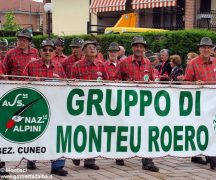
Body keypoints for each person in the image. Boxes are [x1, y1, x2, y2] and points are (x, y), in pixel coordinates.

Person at [22, 39, 68, 176]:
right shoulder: (31, 65)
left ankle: (57, 166)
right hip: (35, 106)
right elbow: (21, 82)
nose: (47, 52)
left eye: (50, 50)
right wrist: (31, 82)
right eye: (45, 50)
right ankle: (31, 159)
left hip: (55, 107)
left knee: (57, 134)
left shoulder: (59, 66)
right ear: (40, 51)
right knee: (35, 133)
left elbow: (65, 84)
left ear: (54, 52)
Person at [116, 36, 159, 172]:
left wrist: (153, 82)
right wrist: (124, 84)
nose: (139, 48)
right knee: (126, 129)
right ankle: (120, 154)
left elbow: (153, 79)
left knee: (146, 130)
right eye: (136, 46)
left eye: (141, 46)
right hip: (127, 105)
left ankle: (147, 161)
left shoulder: (148, 63)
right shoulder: (124, 63)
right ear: (132, 48)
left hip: (144, 106)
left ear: (144, 48)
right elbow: (115, 80)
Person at [182, 37, 216, 170]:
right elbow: (186, 82)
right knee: (204, 130)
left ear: (212, 50)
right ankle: (212, 158)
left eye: (208, 47)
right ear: (199, 49)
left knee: (213, 129)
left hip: (214, 104)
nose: (206, 49)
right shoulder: (193, 63)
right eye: (203, 47)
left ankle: (201, 155)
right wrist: (194, 83)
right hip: (199, 104)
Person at [71, 41, 109, 170]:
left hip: (95, 106)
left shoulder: (101, 65)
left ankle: (90, 160)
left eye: (94, 47)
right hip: (80, 106)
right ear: (83, 51)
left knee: (93, 132)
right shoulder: (76, 65)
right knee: (79, 130)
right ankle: (76, 155)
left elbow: (107, 83)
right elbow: (71, 86)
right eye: (89, 48)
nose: (92, 49)